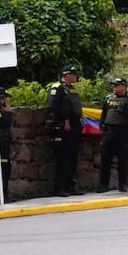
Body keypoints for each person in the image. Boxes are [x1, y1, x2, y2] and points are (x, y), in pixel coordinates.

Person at [98, 77, 128, 193]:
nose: (114, 87)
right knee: (105, 160)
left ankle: (123, 185)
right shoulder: (108, 99)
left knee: (123, 160)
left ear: (124, 86)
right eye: (113, 85)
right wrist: (102, 129)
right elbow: (103, 115)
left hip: (123, 133)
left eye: (116, 85)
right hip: (109, 132)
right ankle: (103, 185)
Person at [46, 64, 85, 197]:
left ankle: (71, 186)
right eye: (74, 74)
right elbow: (52, 106)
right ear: (67, 75)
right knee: (62, 158)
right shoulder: (56, 88)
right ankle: (59, 188)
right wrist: (65, 119)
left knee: (73, 158)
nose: (75, 76)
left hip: (74, 126)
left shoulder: (71, 89)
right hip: (62, 125)